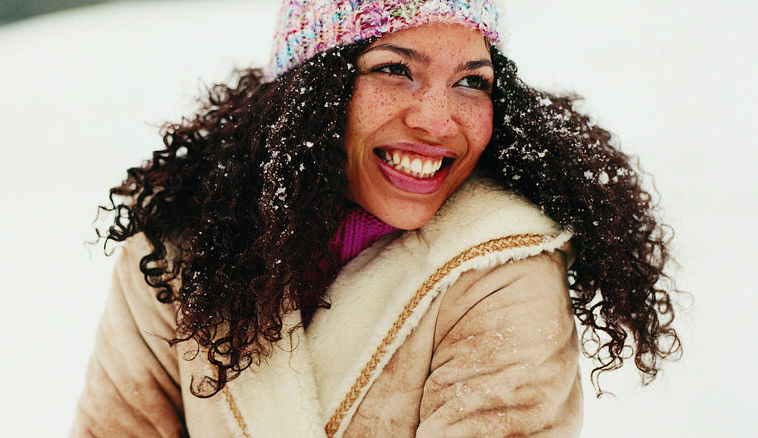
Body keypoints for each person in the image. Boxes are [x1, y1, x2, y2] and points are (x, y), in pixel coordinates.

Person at [71, 1, 681, 437]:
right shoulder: (181, 251)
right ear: (311, 92)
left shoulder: (501, 268)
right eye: (395, 69)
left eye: (472, 82)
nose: (439, 121)